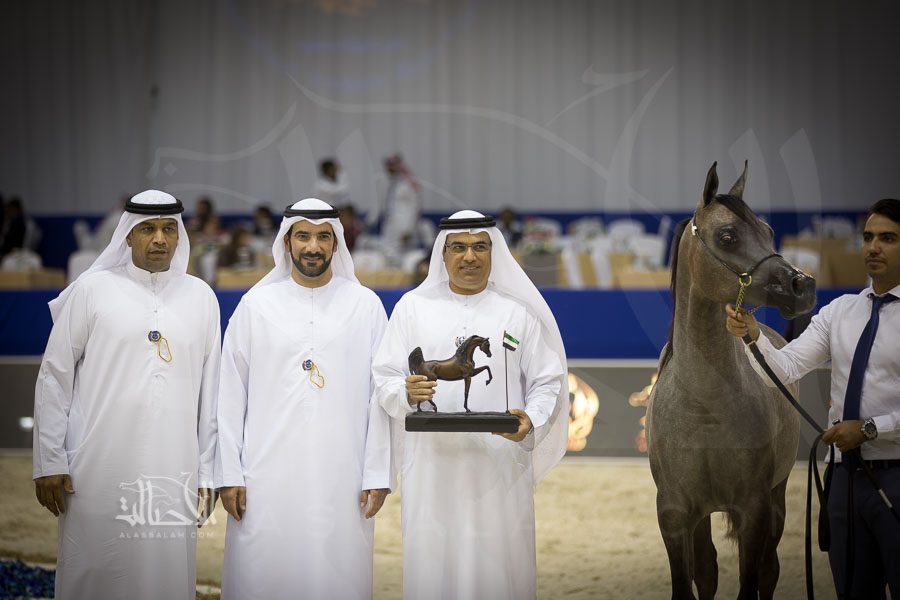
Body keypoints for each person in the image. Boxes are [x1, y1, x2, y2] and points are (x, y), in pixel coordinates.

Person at [32, 190, 221, 600]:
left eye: (169, 229)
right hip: (96, 469)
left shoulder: (201, 298)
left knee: (165, 574)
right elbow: (54, 376)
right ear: (128, 236)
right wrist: (49, 460)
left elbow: (211, 398)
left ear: (179, 236)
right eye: (148, 229)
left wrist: (209, 475)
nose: (159, 239)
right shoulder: (92, 290)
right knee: (95, 567)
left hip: (175, 469)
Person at [372, 209, 569, 599]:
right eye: (459, 247)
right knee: (433, 570)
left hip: (499, 467)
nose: (470, 256)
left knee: (499, 571)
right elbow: (385, 377)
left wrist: (531, 419)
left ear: (494, 253)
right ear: (443, 254)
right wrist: (406, 391)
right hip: (431, 470)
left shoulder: (518, 311)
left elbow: (548, 381)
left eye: (480, 247)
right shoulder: (412, 307)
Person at [216, 198, 392, 599]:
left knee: (338, 574)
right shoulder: (255, 306)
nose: (313, 247)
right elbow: (230, 395)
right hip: (264, 477)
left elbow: (380, 398)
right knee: (264, 573)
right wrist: (229, 474)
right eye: (303, 237)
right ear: (287, 242)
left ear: (336, 244)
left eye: (323, 237)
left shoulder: (365, 306)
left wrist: (377, 474)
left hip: (344, 477)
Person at [725, 198, 900, 598]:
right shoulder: (840, 312)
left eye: (888, 239)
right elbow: (784, 370)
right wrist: (753, 334)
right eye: (868, 237)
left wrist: (871, 429)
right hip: (844, 480)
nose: (873, 247)